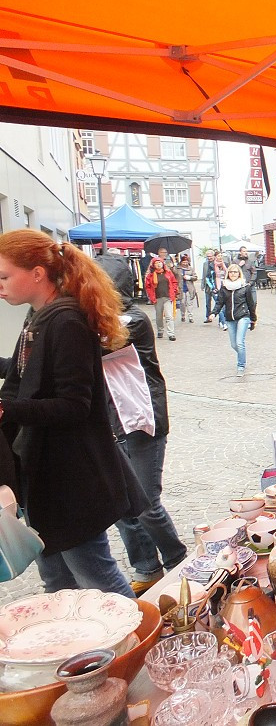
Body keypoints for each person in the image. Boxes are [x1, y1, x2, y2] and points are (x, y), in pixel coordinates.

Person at [0, 230, 147, 597]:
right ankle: (81, 648)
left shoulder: (66, 322)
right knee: (57, 581)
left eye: (4, 276)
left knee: (97, 578)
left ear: (37, 273)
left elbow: (74, 406)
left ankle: (143, 649)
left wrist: (6, 408)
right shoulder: (38, 317)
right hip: (43, 474)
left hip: (71, 480)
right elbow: (24, 379)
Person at [97, 253, 188, 595]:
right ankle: (147, 568)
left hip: (142, 421)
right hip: (112, 422)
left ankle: (179, 561)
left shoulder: (130, 320)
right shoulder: (98, 318)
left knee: (147, 504)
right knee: (122, 505)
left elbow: (91, 345)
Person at [212, 262, 257, 377]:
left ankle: (241, 365)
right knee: (233, 344)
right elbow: (220, 302)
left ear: (239, 274)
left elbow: (251, 304)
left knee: (239, 342)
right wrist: (214, 313)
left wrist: (253, 319)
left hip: (243, 316)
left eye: (235, 272)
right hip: (230, 317)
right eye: (231, 272)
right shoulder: (224, 287)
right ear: (228, 274)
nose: (233, 274)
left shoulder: (245, 287)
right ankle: (242, 355)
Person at [145, 257, 178, 341]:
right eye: (156, 263)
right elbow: (148, 287)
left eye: (160, 262)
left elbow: (174, 282)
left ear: (163, 264)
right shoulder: (151, 276)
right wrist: (151, 296)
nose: (158, 264)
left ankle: (171, 334)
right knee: (159, 316)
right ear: (153, 265)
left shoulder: (168, 273)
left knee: (169, 316)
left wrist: (173, 292)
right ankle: (160, 330)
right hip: (157, 298)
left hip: (168, 297)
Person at [177, 253, 197, 323]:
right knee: (182, 303)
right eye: (183, 262)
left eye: (186, 262)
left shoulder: (190, 269)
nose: (185, 263)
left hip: (189, 288)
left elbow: (195, 277)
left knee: (190, 303)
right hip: (181, 288)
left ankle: (190, 316)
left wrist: (189, 277)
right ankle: (183, 315)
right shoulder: (178, 268)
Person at [202, 248, 218, 323]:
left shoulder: (217, 263)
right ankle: (208, 317)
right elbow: (203, 275)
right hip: (207, 286)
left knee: (218, 302)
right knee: (207, 303)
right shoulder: (205, 264)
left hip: (215, 286)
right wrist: (202, 285)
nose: (209, 258)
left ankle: (221, 319)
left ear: (214, 256)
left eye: (210, 256)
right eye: (208, 256)